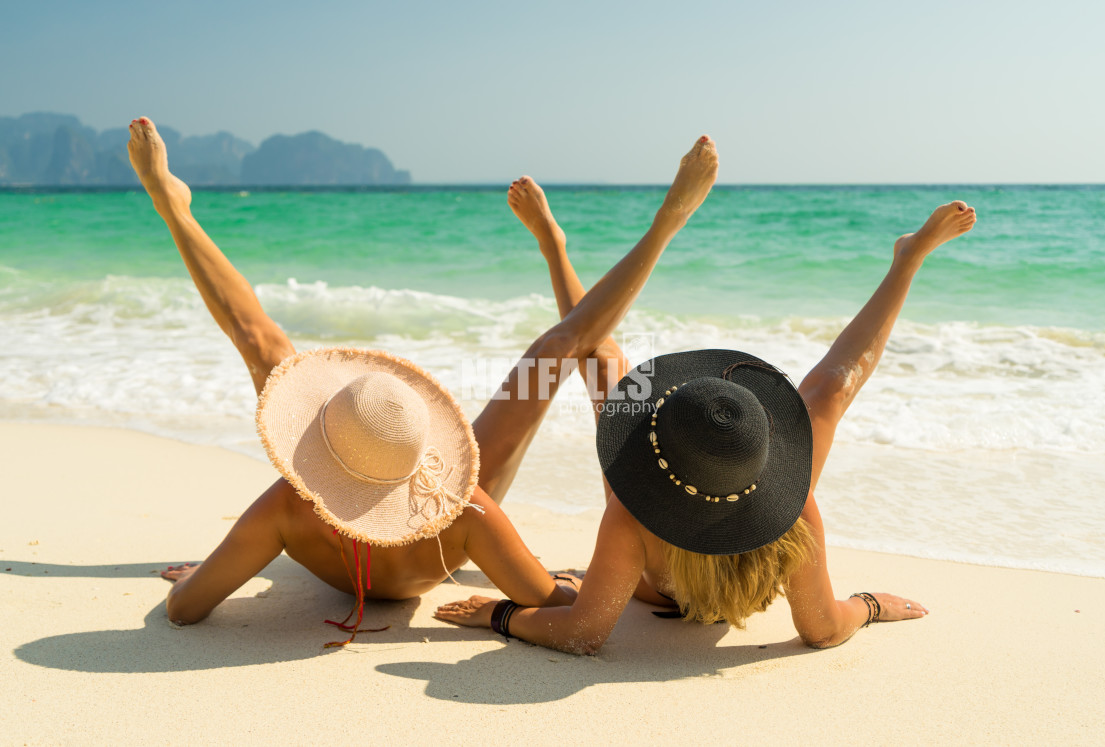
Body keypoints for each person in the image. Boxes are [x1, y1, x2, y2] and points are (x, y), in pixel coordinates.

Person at [125, 116, 720, 645]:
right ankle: (651, 229)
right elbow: (560, 601)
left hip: (327, 524)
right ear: (426, 448)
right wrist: (533, 599)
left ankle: (172, 209)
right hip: (438, 525)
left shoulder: (286, 507)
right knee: (557, 352)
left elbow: (184, 608)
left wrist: (214, 572)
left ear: (315, 441)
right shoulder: (464, 507)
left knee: (262, 347)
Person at [435, 177, 977, 653]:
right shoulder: (794, 508)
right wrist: (870, 605)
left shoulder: (632, 514)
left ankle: (555, 248)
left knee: (601, 360)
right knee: (833, 389)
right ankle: (909, 260)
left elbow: (583, 632)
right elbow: (824, 628)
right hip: (728, 517)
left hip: (650, 559)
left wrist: (500, 614)